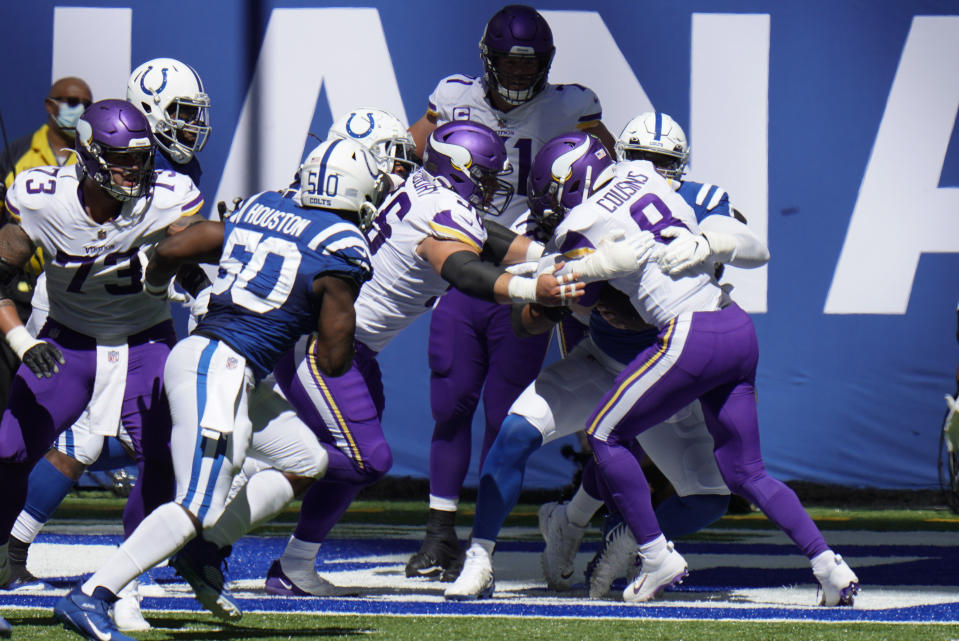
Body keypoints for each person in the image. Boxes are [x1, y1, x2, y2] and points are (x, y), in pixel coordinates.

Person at [53, 137, 381, 640]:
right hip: (222, 369)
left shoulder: (268, 205)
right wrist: (334, 302)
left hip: (217, 361)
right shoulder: (343, 249)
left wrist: (159, 285)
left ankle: (203, 552)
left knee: (304, 460)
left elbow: (183, 243)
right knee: (198, 503)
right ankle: (93, 593)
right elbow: (335, 363)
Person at [520, 131, 857, 606]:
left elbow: (577, 291)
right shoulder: (646, 178)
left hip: (689, 335)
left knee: (603, 435)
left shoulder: (581, 218)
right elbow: (754, 247)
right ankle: (830, 568)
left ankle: (657, 557)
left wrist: (580, 267)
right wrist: (707, 241)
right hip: (735, 328)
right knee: (748, 473)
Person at [261, 120, 583, 599]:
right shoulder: (440, 211)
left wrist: (548, 258)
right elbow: (463, 269)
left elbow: (488, 238)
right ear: (461, 170)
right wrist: (530, 287)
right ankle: (217, 520)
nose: (493, 187)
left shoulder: (421, 187)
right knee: (363, 458)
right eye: (487, 176)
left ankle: (294, 564)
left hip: (351, 348)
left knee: (346, 462)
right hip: (324, 346)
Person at [404, 3, 618, 581]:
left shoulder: (571, 106)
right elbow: (404, 156)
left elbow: (609, 172)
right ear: (487, 60)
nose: (521, 76)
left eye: (531, 67)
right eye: (510, 65)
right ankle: (439, 533)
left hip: (528, 270)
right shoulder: (453, 98)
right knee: (451, 402)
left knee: (505, 414)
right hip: (465, 260)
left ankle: (482, 545)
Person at [4, 59, 213, 630]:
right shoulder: (46, 196)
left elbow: (185, 250)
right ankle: (9, 552)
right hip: (69, 330)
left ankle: (122, 585)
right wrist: (21, 338)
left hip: (144, 333)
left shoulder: (169, 188)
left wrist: (205, 272)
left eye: (139, 158)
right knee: (32, 446)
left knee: (159, 456)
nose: (131, 171)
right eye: (119, 159)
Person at [539, 110, 772, 598]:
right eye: (644, 158)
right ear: (624, 160)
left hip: (682, 339)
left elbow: (748, 238)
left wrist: (712, 240)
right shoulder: (600, 200)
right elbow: (565, 270)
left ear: (681, 165)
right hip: (608, 340)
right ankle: (587, 527)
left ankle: (619, 537)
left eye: (663, 161)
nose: (654, 169)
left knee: (681, 472)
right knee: (613, 439)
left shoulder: (699, 198)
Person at [0, 77, 93, 420]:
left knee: (54, 397)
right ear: (49, 105)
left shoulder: (93, 159)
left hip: (68, 292)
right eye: (70, 101)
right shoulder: (16, 154)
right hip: (16, 289)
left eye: (85, 103)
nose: (78, 109)